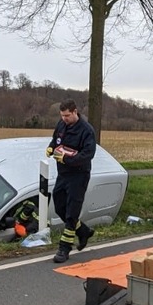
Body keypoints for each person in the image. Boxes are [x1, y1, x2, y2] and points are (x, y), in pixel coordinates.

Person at [46, 100, 97, 263]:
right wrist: (51, 147)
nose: (64, 119)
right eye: (62, 116)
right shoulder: (61, 125)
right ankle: (83, 231)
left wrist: (67, 159)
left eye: (67, 115)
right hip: (63, 174)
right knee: (60, 206)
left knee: (71, 212)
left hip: (79, 175)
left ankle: (64, 248)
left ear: (75, 112)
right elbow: (56, 140)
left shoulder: (86, 130)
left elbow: (87, 155)